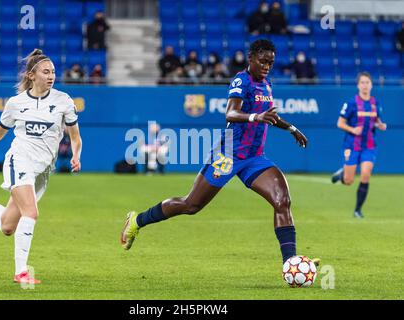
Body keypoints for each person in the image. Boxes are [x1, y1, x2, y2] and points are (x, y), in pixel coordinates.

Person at [121, 40, 316, 268]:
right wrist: (254, 117)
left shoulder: (267, 84)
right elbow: (231, 113)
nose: (267, 66)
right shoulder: (241, 80)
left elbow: (268, 115)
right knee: (191, 205)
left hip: (254, 158)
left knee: (282, 200)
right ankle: (137, 220)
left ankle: (290, 264)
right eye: (263, 61)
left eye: (270, 63)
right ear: (251, 58)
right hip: (228, 155)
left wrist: (291, 128)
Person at [0, 49, 83, 284]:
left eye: (53, 72)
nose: (51, 76)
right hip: (19, 160)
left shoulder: (63, 101)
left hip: (42, 170)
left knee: (8, 227)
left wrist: (76, 156)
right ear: (31, 75)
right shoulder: (16, 103)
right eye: (45, 72)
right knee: (31, 213)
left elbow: (75, 137)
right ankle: (21, 272)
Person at [331, 72, 387, 218]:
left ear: (371, 85)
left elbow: (377, 121)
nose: (365, 85)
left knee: (365, 174)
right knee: (349, 181)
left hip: (369, 146)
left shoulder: (376, 103)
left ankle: (357, 210)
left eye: (367, 82)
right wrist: (352, 129)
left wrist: (380, 125)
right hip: (352, 145)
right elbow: (340, 123)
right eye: (362, 82)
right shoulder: (351, 103)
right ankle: (342, 174)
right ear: (358, 85)